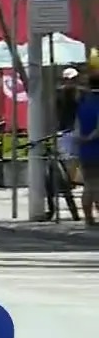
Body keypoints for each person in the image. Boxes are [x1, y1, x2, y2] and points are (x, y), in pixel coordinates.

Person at [74, 72, 99, 227]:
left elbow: (76, 127)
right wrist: (90, 138)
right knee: (96, 185)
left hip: (85, 150)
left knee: (89, 185)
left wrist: (82, 140)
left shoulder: (83, 105)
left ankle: (88, 217)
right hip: (96, 147)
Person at [57, 67, 82, 185]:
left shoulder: (81, 93)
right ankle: (68, 181)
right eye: (69, 79)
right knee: (67, 157)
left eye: (74, 79)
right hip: (65, 130)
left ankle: (71, 180)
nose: (72, 82)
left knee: (76, 157)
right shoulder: (60, 93)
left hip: (79, 128)